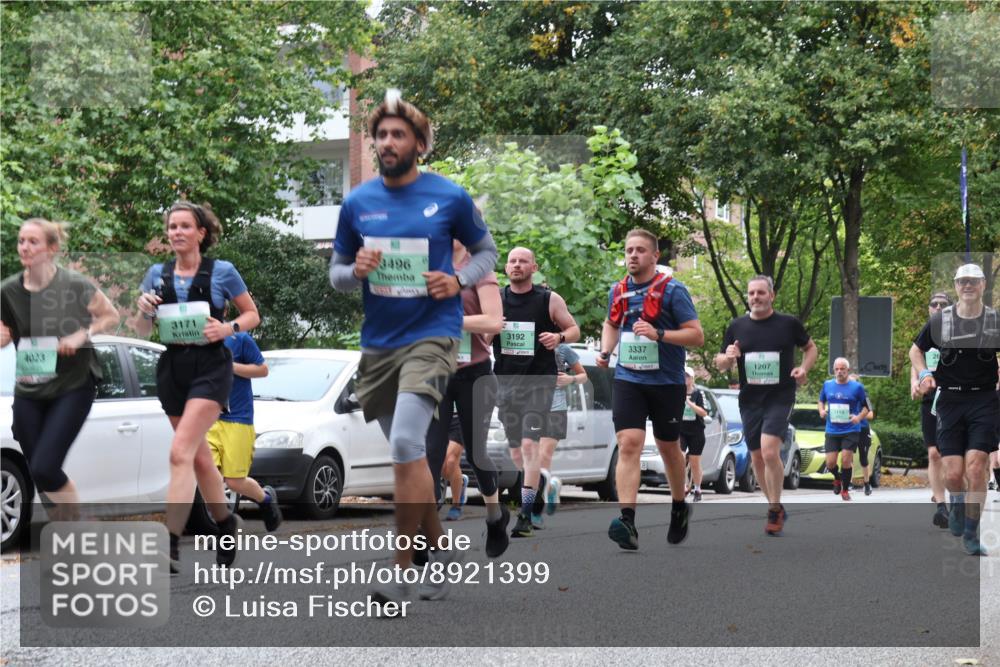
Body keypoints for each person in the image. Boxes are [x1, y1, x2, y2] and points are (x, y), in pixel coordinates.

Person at [329, 89, 498, 604]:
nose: (387, 142)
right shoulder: (357, 203)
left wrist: (458, 277)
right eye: (380, 134)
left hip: (435, 336)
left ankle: (403, 572)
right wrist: (352, 272)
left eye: (398, 134)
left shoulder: (448, 196)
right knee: (413, 463)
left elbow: (487, 251)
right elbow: (335, 274)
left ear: (419, 144)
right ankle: (440, 553)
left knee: (406, 445)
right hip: (379, 347)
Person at [135, 201, 260, 572]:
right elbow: (141, 329)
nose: (176, 232)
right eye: (172, 226)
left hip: (210, 367)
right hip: (173, 366)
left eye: (184, 226)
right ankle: (224, 524)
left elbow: (252, 313)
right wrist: (143, 309)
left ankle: (170, 541)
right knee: (200, 456)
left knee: (179, 452)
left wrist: (227, 328)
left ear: (201, 233)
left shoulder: (222, 271)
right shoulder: (156, 274)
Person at [0, 219, 119, 521]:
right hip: (30, 385)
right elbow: (5, 332)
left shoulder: (74, 284)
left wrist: (82, 334)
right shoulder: (8, 291)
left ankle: (76, 531)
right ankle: (71, 528)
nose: (24, 247)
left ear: (51, 249)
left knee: (44, 467)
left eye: (33, 242)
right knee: (39, 470)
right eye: (21, 241)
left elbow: (110, 316)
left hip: (73, 383)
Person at [598, 229, 704, 550]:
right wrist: (605, 351)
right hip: (629, 379)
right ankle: (627, 521)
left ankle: (678, 505)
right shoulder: (618, 290)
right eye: (629, 250)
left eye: (641, 250)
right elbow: (611, 324)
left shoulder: (673, 290)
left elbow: (696, 336)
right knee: (628, 443)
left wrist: (659, 334)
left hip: (667, 382)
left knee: (668, 445)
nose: (633, 255)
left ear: (655, 256)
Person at [423, 237, 508, 557]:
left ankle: (495, 516)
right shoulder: (425, 263)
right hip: (436, 371)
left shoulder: (478, 267)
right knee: (430, 452)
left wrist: (451, 322)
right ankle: (425, 529)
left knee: (477, 453)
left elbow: (493, 321)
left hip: (474, 373)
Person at [715, 275, 817, 535]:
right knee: (756, 456)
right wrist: (728, 358)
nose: (755, 298)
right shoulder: (737, 326)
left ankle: (774, 507)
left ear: (771, 295)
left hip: (780, 396)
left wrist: (803, 369)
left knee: (770, 451)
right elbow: (720, 363)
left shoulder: (788, 324)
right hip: (750, 399)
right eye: (751, 293)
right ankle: (773, 505)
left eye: (761, 293)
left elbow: (810, 348)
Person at [910, 263, 999, 556]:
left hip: (985, 400)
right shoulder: (941, 321)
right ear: (956, 286)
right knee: (952, 473)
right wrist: (923, 374)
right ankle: (957, 506)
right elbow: (915, 350)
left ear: (983, 285)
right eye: (963, 281)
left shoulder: (994, 320)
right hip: (949, 400)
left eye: (973, 281)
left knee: (976, 467)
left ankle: (972, 534)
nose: (968, 286)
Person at [494, 247, 580, 538]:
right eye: (512, 261)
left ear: (534, 267)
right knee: (517, 452)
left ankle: (526, 513)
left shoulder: (548, 299)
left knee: (530, 447)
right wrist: (490, 329)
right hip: (506, 384)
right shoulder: (496, 299)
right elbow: (481, 337)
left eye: (523, 261)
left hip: (539, 384)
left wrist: (558, 337)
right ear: (506, 267)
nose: (517, 265)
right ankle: (536, 491)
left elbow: (574, 330)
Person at [205, 329, 282, 532]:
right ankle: (223, 529)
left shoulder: (240, 339)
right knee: (207, 476)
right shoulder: (196, 340)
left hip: (237, 419)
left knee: (235, 482)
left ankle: (265, 499)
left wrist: (230, 367)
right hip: (208, 418)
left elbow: (263, 369)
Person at [531, 342, 586, 524]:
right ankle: (552, 487)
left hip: (556, 410)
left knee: (544, 455)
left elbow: (583, 376)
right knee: (530, 460)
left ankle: (535, 511)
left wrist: (570, 379)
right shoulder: (529, 344)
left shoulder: (563, 350)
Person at [910, 292, 952, 527]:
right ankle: (941, 507)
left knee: (954, 457)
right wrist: (915, 384)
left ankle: (956, 497)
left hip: (956, 397)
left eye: (943, 304)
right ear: (929, 308)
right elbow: (914, 361)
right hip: (931, 399)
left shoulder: (959, 331)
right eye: (934, 304)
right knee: (934, 453)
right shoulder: (925, 334)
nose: (937, 307)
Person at [818, 359, 869, 501]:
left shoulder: (857, 387)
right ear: (834, 370)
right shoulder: (827, 385)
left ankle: (845, 490)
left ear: (847, 370)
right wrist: (821, 411)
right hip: (832, 429)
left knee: (846, 460)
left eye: (842, 369)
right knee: (830, 463)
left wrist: (858, 418)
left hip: (851, 429)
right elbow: (821, 400)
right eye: (837, 369)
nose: (839, 371)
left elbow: (867, 407)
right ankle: (837, 478)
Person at [681, 367, 709, 502]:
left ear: (692, 379)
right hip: (681, 431)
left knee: (694, 462)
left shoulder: (699, 393)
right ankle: (683, 486)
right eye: (683, 376)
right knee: (679, 458)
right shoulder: (677, 392)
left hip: (696, 431)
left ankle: (697, 489)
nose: (685, 379)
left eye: (687, 376)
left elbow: (704, 413)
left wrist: (690, 403)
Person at [848, 373, 875, 495]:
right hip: (850, 429)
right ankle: (849, 483)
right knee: (848, 456)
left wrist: (860, 415)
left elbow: (871, 415)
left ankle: (867, 484)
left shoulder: (865, 397)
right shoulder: (846, 396)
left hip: (863, 429)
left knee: (863, 458)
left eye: (854, 383)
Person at [440, 414, 468, 521]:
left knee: (451, 460)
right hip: (439, 417)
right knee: (442, 465)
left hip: (460, 418)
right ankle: (460, 482)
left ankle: (456, 505)